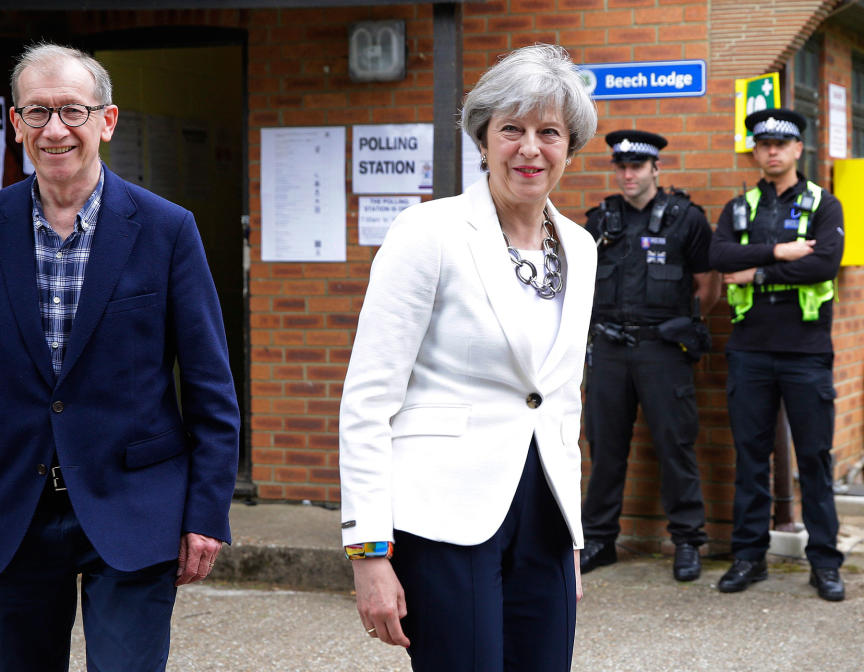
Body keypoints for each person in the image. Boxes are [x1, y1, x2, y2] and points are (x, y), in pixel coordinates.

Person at [0, 43, 241, 671]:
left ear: (106, 121)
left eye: (72, 111)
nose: (54, 129)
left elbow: (209, 389)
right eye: (36, 113)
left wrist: (206, 512)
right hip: (11, 511)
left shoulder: (168, 229)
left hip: (135, 508)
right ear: (16, 124)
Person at [338, 44, 598, 671]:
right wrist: (369, 553)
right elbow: (369, 398)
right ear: (484, 138)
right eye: (512, 129)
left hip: (544, 517)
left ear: (570, 147)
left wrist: (572, 538)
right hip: (444, 518)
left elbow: (561, 399)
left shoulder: (583, 248)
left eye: (549, 133)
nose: (529, 149)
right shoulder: (428, 234)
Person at [710, 108, 845, 601]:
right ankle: (749, 557)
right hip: (749, 351)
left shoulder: (824, 205)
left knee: (814, 458)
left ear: (797, 150)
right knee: (750, 458)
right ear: (756, 151)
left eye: (780, 144)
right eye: (762, 143)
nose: (770, 151)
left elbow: (825, 264)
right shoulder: (740, 206)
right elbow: (719, 257)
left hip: (806, 352)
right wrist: (782, 253)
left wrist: (759, 273)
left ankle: (825, 563)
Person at [579, 130, 720, 581]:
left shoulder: (686, 219)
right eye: (620, 166)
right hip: (609, 350)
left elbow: (708, 286)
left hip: (663, 348)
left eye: (636, 167)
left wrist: (685, 323)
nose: (627, 174)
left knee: (675, 445)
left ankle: (687, 541)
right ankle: (599, 539)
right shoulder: (600, 221)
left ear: (656, 168)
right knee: (605, 449)